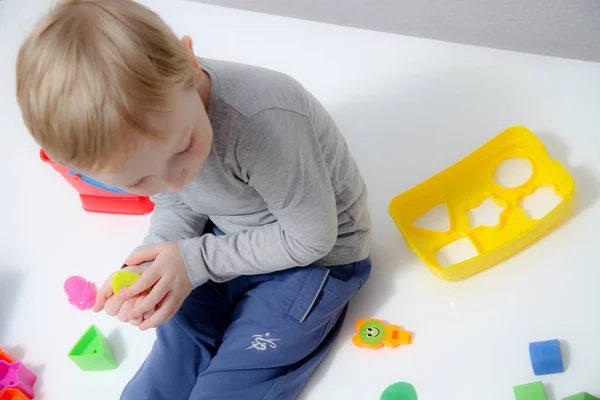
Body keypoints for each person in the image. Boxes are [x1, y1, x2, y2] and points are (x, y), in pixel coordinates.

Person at [16, 1, 371, 398]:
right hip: (222, 235)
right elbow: (179, 200)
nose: (175, 178)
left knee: (233, 384)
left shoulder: (263, 123)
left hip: (315, 260)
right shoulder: (167, 121)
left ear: (189, 62)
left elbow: (311, 239)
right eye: (140, 180)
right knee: (173, 352)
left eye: (183, 148)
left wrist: (194, 260)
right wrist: (151, 260)